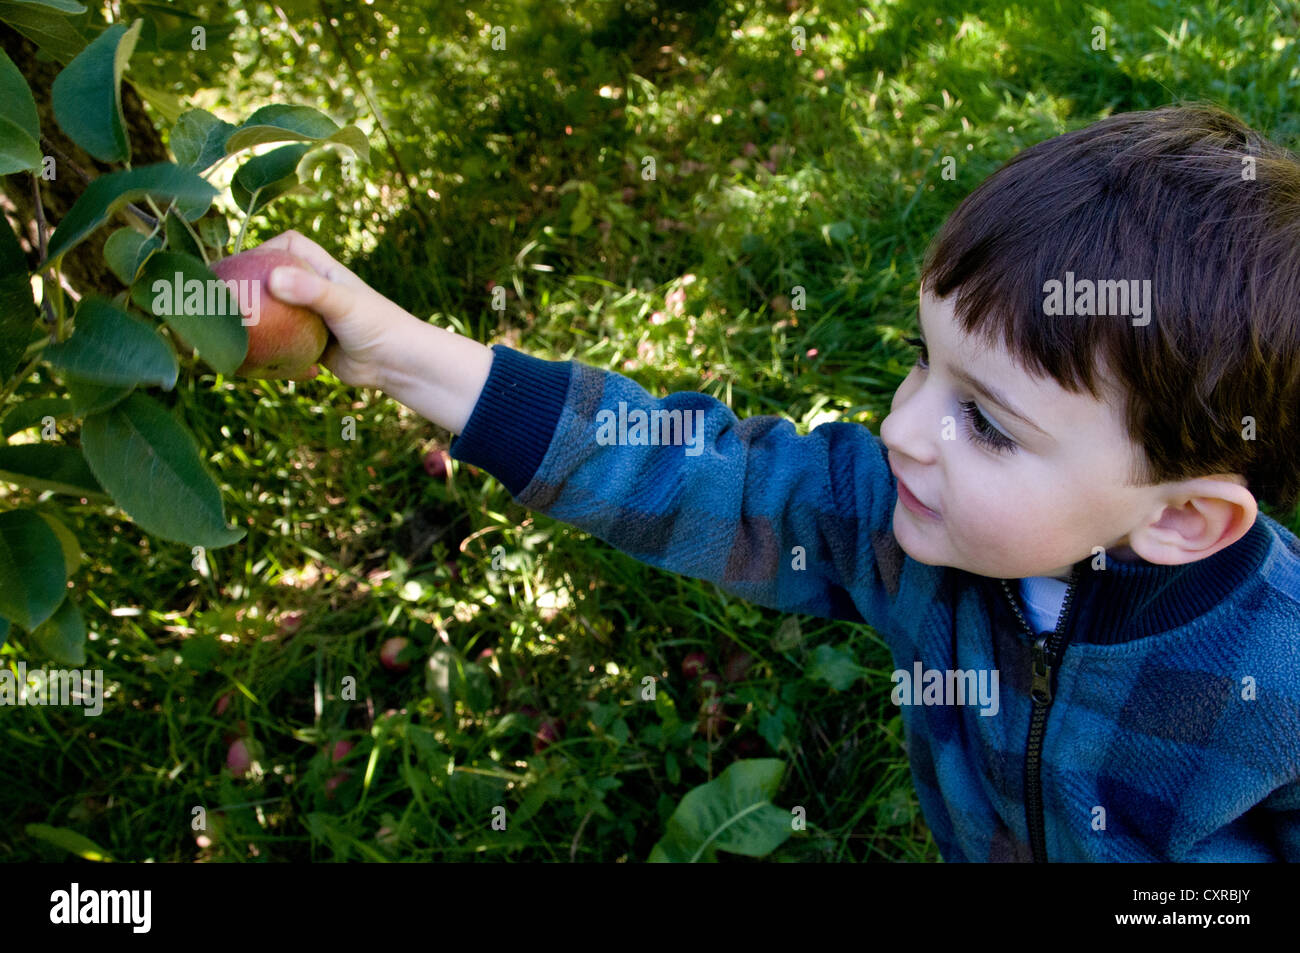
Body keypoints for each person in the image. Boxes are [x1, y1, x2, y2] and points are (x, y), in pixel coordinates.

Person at [259, 102, 1300, 861]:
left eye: (982, 421)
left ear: (1179, 518)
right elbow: (685, 468)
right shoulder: (894, 525)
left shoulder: (1282, 673)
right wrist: (398, 353)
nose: (898, 427)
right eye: (919, 360)